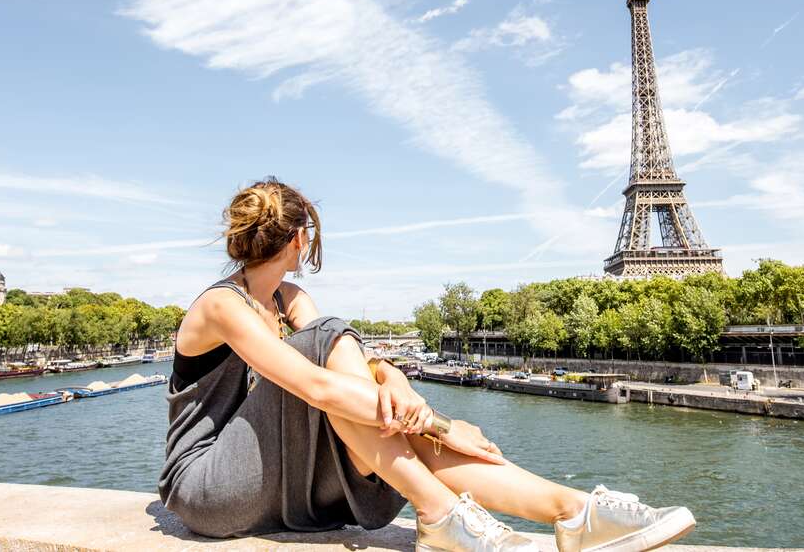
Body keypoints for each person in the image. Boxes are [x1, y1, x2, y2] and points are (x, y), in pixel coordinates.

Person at [159, 178, 695, 552]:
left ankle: (571, 512)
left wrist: (392, 377)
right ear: (301, 238)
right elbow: (319, 384)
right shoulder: (221, 305)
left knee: (378, 412)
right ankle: (443, 515)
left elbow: (352, 365)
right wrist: (444, 423)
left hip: (265, 476)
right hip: (207, 486)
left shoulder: (287, 299)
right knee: (351, 372)